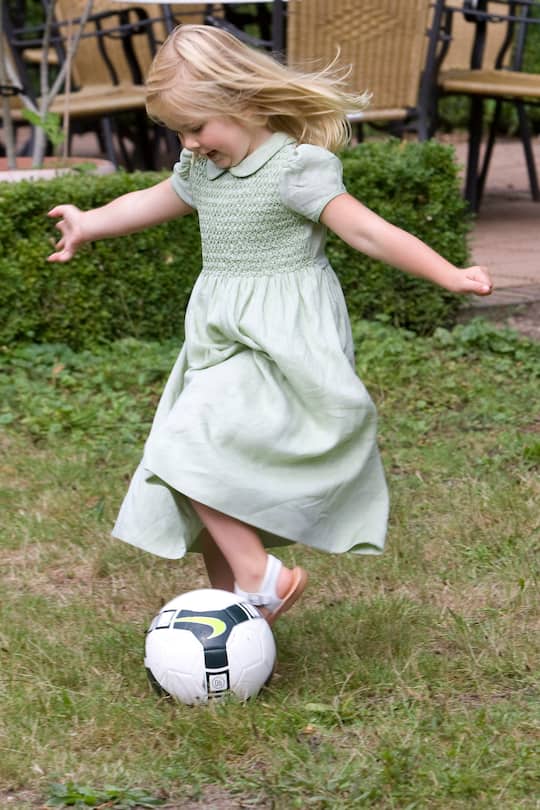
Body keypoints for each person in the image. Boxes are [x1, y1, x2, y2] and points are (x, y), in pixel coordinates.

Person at [47, 24, 493, 626]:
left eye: (198, 126)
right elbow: (149, 201)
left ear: (247, 103)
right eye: (178, 129)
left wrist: (448, 274)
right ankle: (242, 615)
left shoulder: (295, 169)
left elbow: (367, 230)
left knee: (187, 446)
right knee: (210, 477)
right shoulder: (202, 171)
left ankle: (261, 578)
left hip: (284, 344)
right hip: (220, 340)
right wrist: (88, 222)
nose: (190, 142)